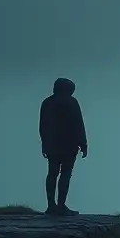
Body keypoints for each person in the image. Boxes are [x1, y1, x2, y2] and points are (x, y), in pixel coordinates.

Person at [39, 77, 88, 215]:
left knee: (52, 174)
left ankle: (51, 205)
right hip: (69, 145)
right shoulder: (72, 102)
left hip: (53, 145)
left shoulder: (47, 103)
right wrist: (83, 143)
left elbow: (43, 126)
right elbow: (79, 124)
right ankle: (60, 205)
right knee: (65, 175)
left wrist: (45, 144)